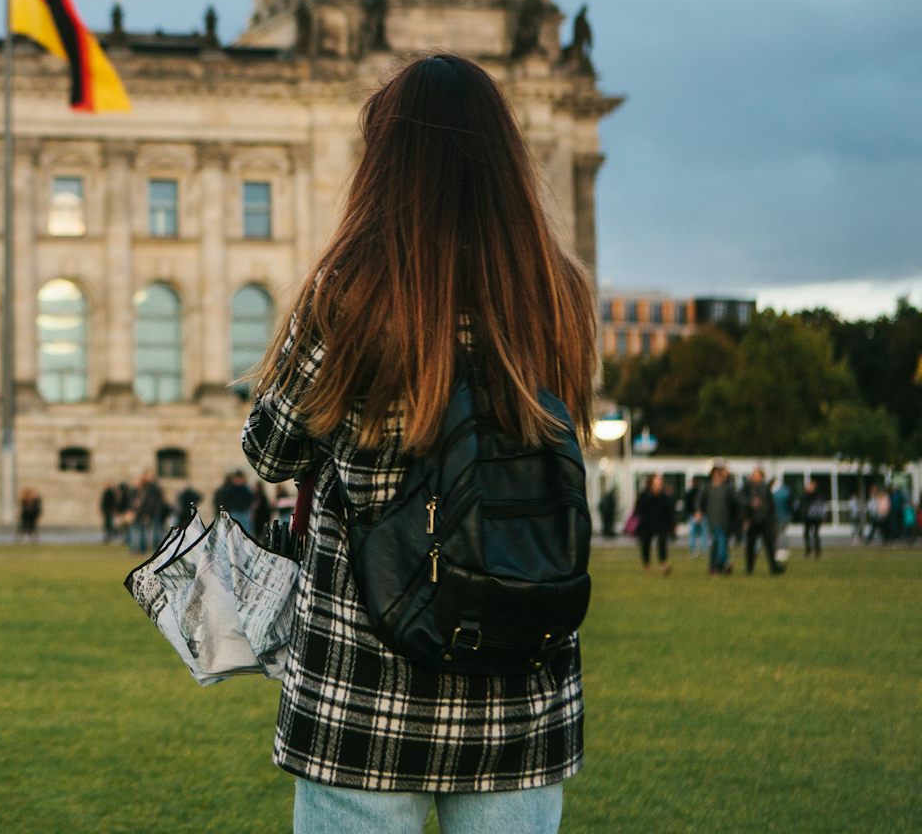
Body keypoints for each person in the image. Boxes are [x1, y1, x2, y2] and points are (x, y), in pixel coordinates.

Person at [240, 54, 595, 831]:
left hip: (365, 691)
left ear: (387, 165)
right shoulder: (557, 292)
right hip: (519, 688)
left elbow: (270, 452)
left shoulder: (352, 288)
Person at [741, 466, 784, 576]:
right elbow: (740, 501)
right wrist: (749, 505)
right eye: (754, 475)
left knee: (769, 545)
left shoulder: (765, 488)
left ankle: (773, 567)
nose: (755, 477)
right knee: (750, 546)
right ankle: (749, 568)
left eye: (757, 475)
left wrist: (772, 519)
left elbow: (771, 505)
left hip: (765, 521)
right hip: (752, 521)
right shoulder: (747, 487)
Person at [632, 474, 676, 574]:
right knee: (646, 544)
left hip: (661, 524)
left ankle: (664, 564)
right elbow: (638, 509)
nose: (658, 485)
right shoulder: (645, 496)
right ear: (651, 483)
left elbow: (669, 512)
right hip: (647, 524)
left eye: (659, 483)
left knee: (662, 542)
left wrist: (672, 525)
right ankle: (646, 565)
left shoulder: (664, 497)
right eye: (656, 483)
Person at [703, 466, 738, 576]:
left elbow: (736, 502)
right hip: (714, 521)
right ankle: (725, 561)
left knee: (716, 544)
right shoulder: (708, 488)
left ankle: (714, 567)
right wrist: (698, 511)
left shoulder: (727, 488)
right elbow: (700, 500)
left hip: (725, 521)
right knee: (721, 541)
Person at [132, 473, 169, 554]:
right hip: (150, 513)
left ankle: (156, 548)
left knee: (154, 532)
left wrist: (148, 513)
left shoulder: (153, 489)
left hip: (154, 513)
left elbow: (152, 503)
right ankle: (150, 548)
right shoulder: (148, 489)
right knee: (149, 531)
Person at [797, 478, 826, 558]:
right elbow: (801, 505)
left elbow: (821, 506)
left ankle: (817, 551)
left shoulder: (818, 495)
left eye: (810, 486)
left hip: (816, 517)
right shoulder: (805, 495)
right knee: (806, 534)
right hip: (807, 517)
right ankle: (808, 550)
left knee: (815, 534)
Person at [683, 475, 708, 558]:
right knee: (702, 534)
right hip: (700, 515)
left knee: (693, 534)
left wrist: (694, 514)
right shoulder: (700, 493)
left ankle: (693, 551)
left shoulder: (690, 493)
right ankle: (703, 551)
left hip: (694, 515)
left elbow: (687, 506)